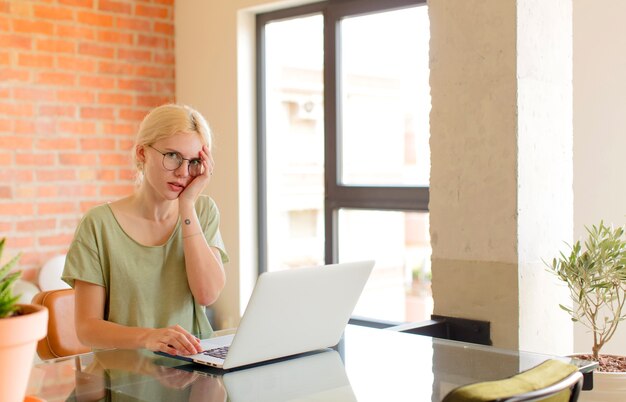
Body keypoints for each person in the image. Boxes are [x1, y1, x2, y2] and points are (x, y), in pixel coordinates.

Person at [62, 104, 228, 357]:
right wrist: (150, 337)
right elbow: (87, 328)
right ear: (142, 153)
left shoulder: (201, 210)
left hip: (192, 373)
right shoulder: (98, 225)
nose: (183, 172)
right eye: (172, 156)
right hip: (123, 379)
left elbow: (207, 294)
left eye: (193, 161)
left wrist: (186, 206)